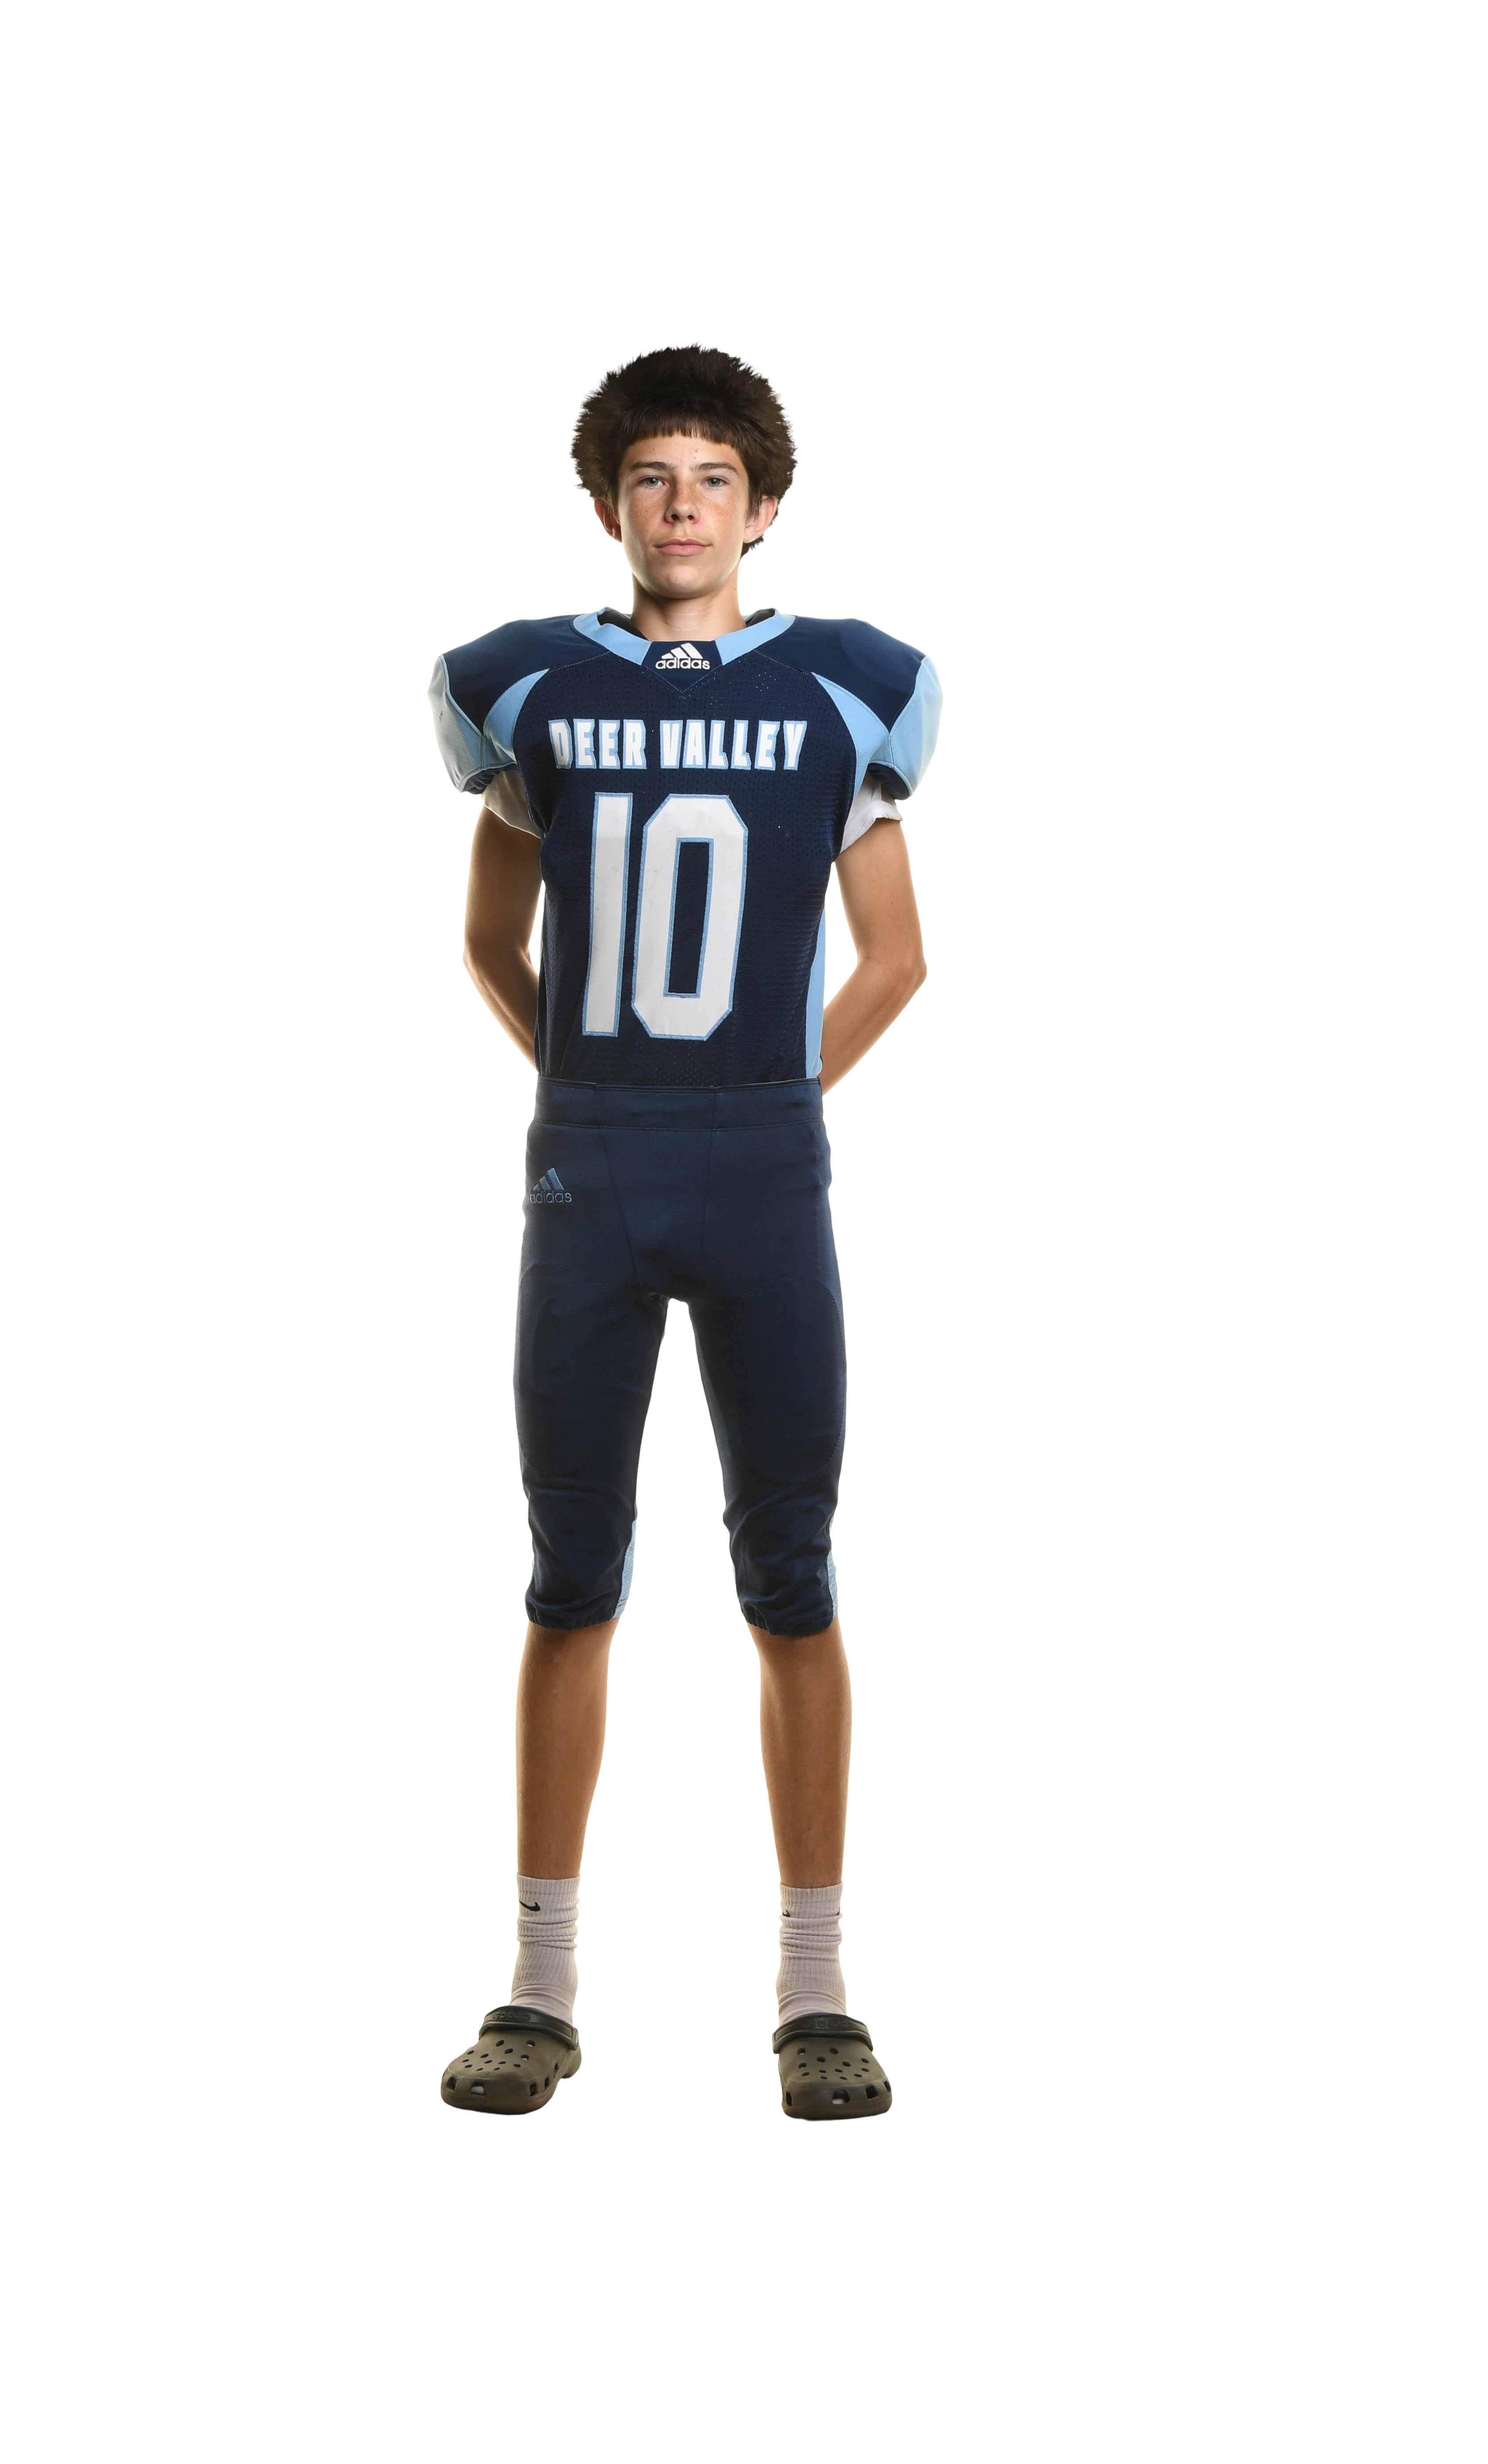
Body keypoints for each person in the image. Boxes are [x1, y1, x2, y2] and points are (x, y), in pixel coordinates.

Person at [427, 341, 941, 2119]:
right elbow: (488, 942)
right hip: (591, 1164)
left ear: (763, 504)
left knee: (789, 1569)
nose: (682, 506)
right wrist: (592, 1087)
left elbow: (898, 956)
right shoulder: (534, 691)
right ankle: (540, 1985)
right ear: (608, 501)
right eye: (652, 475)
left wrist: (768, 1097)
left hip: (760, 1165)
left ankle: (815, 1991)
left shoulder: (843, 690)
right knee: (570, 1570)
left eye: (714, 477)